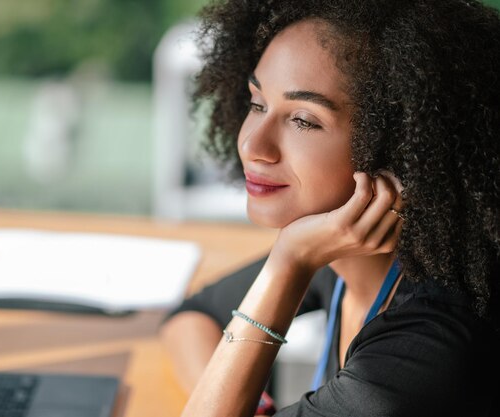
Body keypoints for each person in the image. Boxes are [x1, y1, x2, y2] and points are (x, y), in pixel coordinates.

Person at [159, 0, 500, 416]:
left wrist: (290, 261)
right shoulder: (347, 256)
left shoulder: (421, 357)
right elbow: (192, 315)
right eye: (257, 104)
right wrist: (250, 402)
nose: (252, 146)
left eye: (304, 120)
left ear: (403, 149)